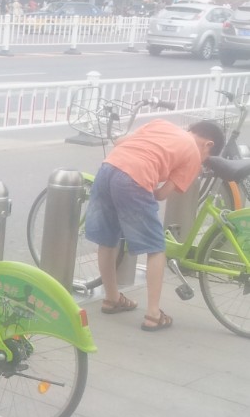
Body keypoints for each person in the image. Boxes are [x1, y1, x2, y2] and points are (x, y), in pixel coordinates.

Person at [84, 119, 225, 332]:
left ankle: (112, 298)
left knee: (107, 239)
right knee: (156, 247)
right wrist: (149, 179)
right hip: (134, 177)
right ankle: (153, 314)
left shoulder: (161, 124)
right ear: (208, 145)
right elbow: (161, 194)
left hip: (108, 168)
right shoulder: (193, 155)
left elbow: (120, 141)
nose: (203, 161)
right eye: (207, 157)